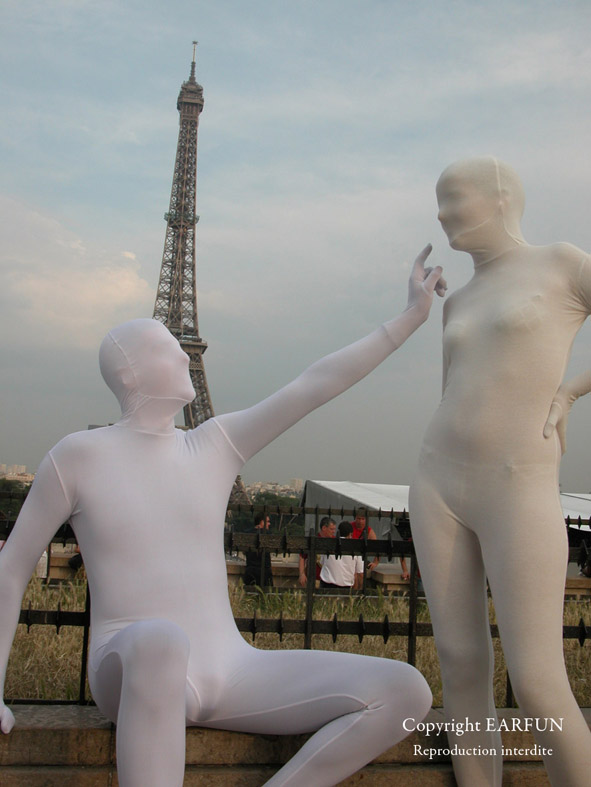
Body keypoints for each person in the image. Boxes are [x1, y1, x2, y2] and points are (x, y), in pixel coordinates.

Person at [0, 247, 443, 787]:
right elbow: (12, 568)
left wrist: (409, 319)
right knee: (160, 640)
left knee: (406, 691)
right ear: (132, 371)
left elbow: (314, 385)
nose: (186, 356)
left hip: (229, 668)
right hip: (132, 663)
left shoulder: (212, 445)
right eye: (171, 349)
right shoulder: (77, 456)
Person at [409, 157, 591, 787]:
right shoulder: (455, 301)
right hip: (437, 484)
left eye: (453, 197)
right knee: (459, 663)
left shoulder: (563, 265)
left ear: (501, 196)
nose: (442, 212)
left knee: (538, 680)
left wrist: (569, 394)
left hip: (520, 484)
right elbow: (451, 391)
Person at [319, 521, 364, 589]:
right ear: (350, 534)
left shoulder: (328, 544)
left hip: (327, 584)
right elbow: (360, 573)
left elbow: (322, 562)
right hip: (346, 586)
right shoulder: (356, 548)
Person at [298, 516, 336, 588]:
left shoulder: (334, 541)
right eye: (331, 529)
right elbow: (302, 557)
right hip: (314, 578)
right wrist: (302, 574)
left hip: (330, 580)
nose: (333, 531)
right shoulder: (313, 540)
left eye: (334, 529)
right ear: (324, 528)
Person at [243, 513, 273, 587]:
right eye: (268, 521)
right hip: (265, 571)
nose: (269, 524)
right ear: (262, 522)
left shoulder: (247, 533)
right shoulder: (268, 535)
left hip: (250, 570)